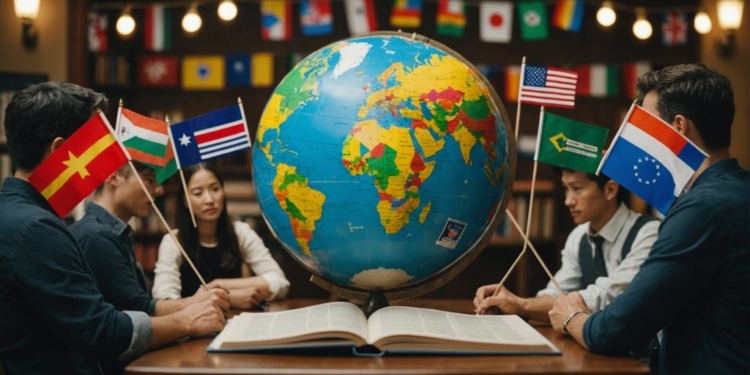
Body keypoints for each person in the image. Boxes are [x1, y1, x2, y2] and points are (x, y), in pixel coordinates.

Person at [0, 82, 228, 375]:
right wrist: (188, 321)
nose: (103, 165)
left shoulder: (13, 212)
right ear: (61, 150)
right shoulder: (36, 228)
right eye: (95, 147)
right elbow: (102, 332)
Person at [549, 64, 749, 375]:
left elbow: (617, 329)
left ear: (679, 126)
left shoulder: (701, 209)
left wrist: (571, 315)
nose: (640, 139)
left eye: (647, 125)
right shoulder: (738, 191)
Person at [474, 169, 659, 322]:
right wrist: (511, 306)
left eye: (577, 189)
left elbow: (607, 297)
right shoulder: (578, 236)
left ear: (610, 190)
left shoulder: (648, 233)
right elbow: (556, 293)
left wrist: (523, 305)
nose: (568, 201)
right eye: (566, 189)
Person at [70, 161, 229, 318]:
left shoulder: (111, 232)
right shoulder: (98, 236)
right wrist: (195, 302)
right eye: (150, 180)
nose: (159, 190)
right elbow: (137, 310)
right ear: (115, 177)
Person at [152, 163, 290, 309]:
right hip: (192, 326)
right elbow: (164, 301)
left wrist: (220, 285)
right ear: (186, 201)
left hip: (236, 322)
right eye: (198, 193)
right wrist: (226, 298)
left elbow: (280, 282)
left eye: (215, 189)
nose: (209, 199)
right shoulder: (174, 241)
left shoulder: (240, 232)